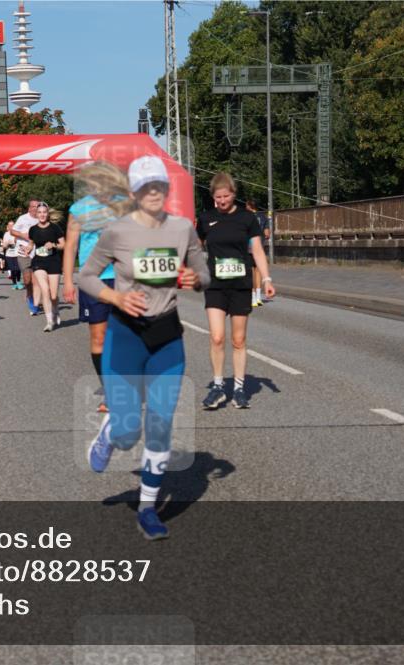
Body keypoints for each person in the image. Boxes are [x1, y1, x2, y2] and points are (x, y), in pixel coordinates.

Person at [80, 155, 210, 540]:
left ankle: (148, 508)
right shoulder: (117, 232)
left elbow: (204, 272)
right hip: (126, 337)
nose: (154, 192)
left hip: (167, 338)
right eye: (145, 187)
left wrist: (195, 279)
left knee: (160, 425)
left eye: (159, 186)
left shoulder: (182, 229)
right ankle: (109, 434)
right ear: (135, 193)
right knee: (127, 433)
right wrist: (116, 298)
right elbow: (86, 277)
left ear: (166, 189)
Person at [198, 173, 276, 409]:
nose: (222, 201)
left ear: (233, 194)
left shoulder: (247, 218)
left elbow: (257, 251)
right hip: (215, 285)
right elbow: (194, 247)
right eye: (218, 197)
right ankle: (218, 387)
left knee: (238, 339)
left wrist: (266, 279)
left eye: (226, 196)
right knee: (217, 337)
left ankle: (239, 389)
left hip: (240, 285)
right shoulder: (206, 218)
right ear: (213, 197)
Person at [64, 161, 135, 413]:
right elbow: (71, 246)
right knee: (99, 337)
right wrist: (68, 281)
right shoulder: (79, 209)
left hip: (122, 277)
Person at [29, 203, 65, 332]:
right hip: (38, 262)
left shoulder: (55, 228)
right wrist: (27, 249)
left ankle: (55, 311)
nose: (42, 215)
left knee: (53, 296)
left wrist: (54, 245)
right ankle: (49, 321)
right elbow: (31, 244)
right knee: (45, 290)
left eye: (44, 212)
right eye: (39, 212)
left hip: (53, 261)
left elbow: (63, 245)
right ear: (36, 214)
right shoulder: (33, 229)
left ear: (48, 214)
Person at [10, 199, 42, 315]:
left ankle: (34, 302)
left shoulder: (42, 218)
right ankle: (30, 295)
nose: (35, 208)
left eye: (37, 206)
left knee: (38, 280)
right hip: (24, 252)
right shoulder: (23, 218)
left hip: (39, 252)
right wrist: (23, 235)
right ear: (29, 208)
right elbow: (12, 231)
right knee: (28, 280)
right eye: (33, 206)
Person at [245, 199, 270, 307]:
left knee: (250, 273)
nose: (245, 207)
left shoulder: (246, 217)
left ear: (250, 206)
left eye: (246, 205)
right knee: (258, 272)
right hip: (260, 247)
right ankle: (259, 297)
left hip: (249, 247)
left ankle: (253, 298)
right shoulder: (263, 217)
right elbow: (267, 233)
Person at [2, 221, 22, 289]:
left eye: (13, 225)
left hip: (17, 254)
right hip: (9, 255)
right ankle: (14, 283)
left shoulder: (18, 233)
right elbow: (4, 246)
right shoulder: (6, 234)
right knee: (13, 269)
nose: (11, 227)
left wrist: (16, 240)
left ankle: (18, 282)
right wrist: (7, 244)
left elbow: (22, 243)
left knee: (18, 269)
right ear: (8, 226)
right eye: (10, 225)